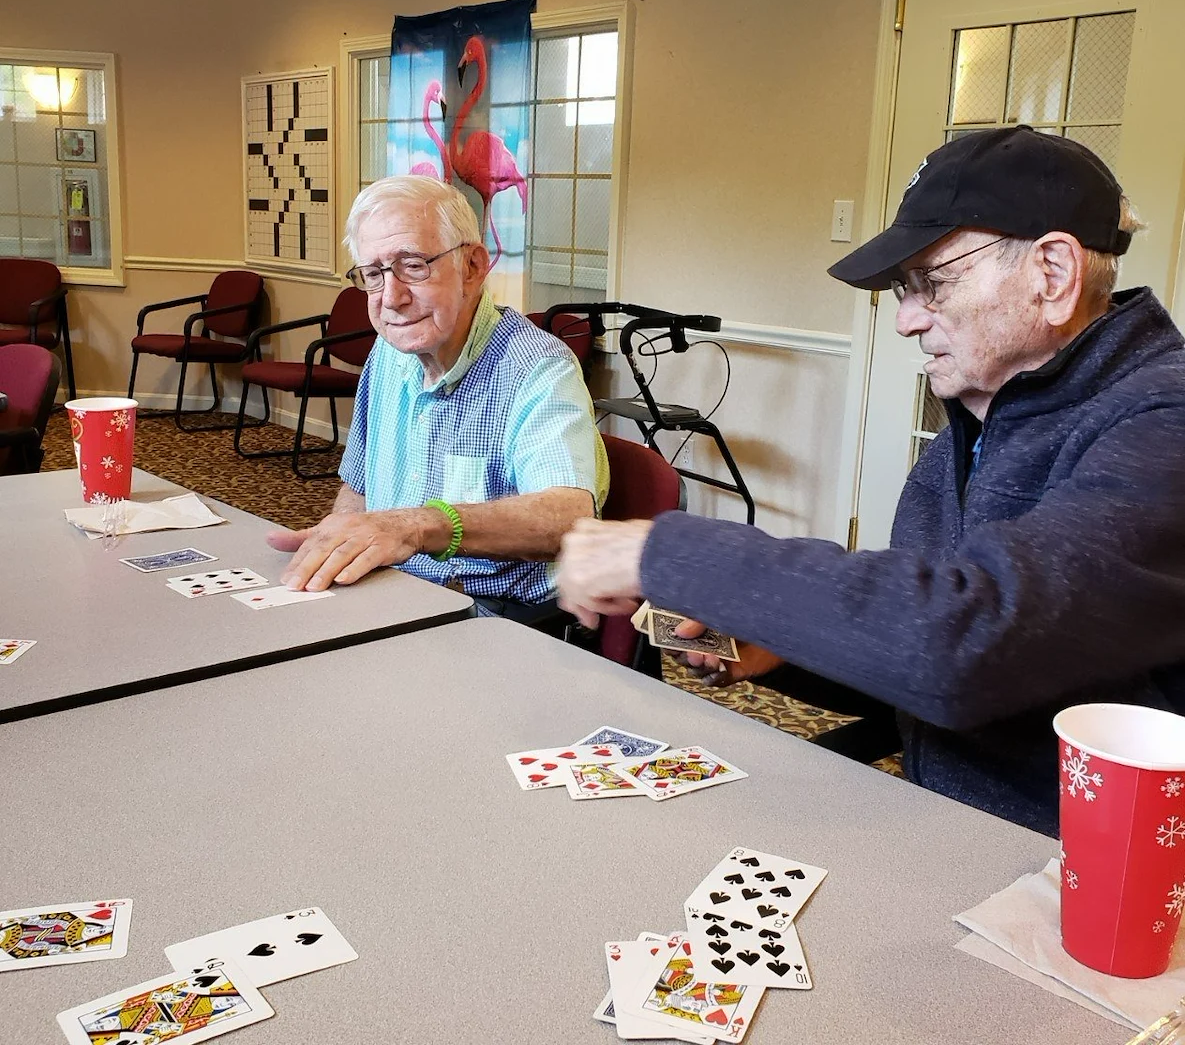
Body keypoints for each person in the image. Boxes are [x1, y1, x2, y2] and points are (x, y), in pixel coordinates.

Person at [555, 125, 1185, 835]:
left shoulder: (1165, 423)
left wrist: (664, 551)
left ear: (1053, 273)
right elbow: (923, 665)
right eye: (902, 290)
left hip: (1092, 871)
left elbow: (962, 645)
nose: (906, 321)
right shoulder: (976, 419)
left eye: (931, 283)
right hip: (940, 828)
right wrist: (780, 644)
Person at [268, 175, 608, 618]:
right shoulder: (389, 354)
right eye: (373, 275)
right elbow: (359, 486)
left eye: (413, 266)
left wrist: (413, 527)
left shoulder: (537, 367)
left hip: (490, 614)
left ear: (472, 267)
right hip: (392, 590)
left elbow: (569, 518)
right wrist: (341, 544)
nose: (392, 298)